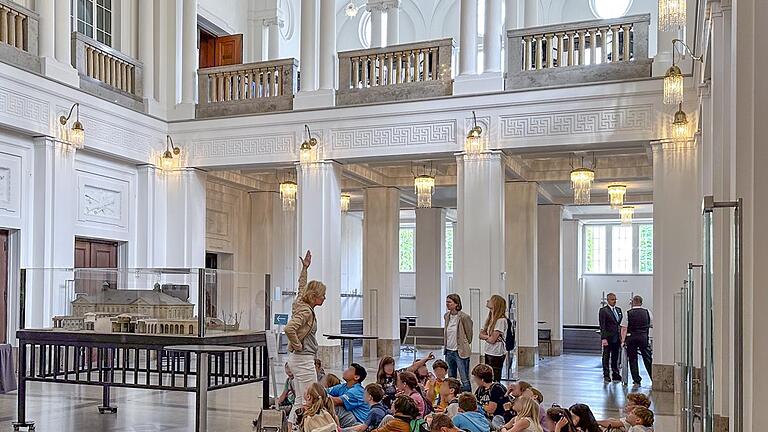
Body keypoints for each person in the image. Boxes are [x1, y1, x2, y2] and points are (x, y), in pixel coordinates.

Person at [284, 250, 325, 428]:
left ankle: (291, 426)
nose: (324, 297)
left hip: (298, 359)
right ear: (315, 297)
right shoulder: (306, 311)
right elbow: (289, 328)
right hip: (303, 359)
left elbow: (302, 286)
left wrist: (305, 268)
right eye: (322, 295)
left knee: (301, 399)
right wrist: (297, 344)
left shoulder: (302, 302)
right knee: (312, 397)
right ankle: (309, 427)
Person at [621, 295, 653, 386]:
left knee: (633, 359)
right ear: (641, 303)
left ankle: (636, 380)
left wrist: (623, 341)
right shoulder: (647, 312)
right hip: (643, 337)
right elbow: (651, 324)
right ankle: (652, 377)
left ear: (632, 302)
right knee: (647, 358)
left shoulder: (628, 313)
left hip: (632, 338)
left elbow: (624, 328)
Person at [444, 294, 474, 392]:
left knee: (464, 377)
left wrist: (464, 343)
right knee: (451, 377)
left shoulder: (464, 317)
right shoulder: (447, 316)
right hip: (449, 350)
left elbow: (469, 333)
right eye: (447, 302)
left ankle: (468, 397)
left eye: (449, 302)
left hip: (460, 351)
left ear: (456, 304)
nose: (447, 304)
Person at [329, 363, 371, 428]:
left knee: (336, 407)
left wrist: (319, 395)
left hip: (358, 423)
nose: (346, 371)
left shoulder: (357, 391)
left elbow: (335, 401)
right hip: (350, 418)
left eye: (350, 370)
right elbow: (324, 391)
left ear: (356, 377)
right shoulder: (343, 386)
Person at [480, 295, 508, 382]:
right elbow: (480, 334)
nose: (488, 301)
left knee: (494, 378)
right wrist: (488, 337)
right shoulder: (490, 319)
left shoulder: (501, 320)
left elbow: (492, 340)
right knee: (488, 377)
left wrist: (487, 337)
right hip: (488, 351)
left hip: (496, 353)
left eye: (491, 300)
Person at [471, 364, 507, 429]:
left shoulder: (496, 388)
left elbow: (491, 409)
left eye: (475, 378)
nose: (474, 380)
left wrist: (480, 406)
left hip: (497, 419)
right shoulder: (480, 389)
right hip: (485, 417)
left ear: (482, 379)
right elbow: (474, 402)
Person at [599, 293, 623, 382]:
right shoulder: (603, 310)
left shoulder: (618, 310)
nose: (614, 301)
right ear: (607, 300)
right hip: (608, 338)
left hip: (617, 338)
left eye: (615, 299)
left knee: (615, 356)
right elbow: (602, 325)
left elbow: (619, 323)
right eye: (612, 299)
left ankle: (615, 373)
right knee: (606, 356)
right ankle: (606, 375)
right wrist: (603, 338)